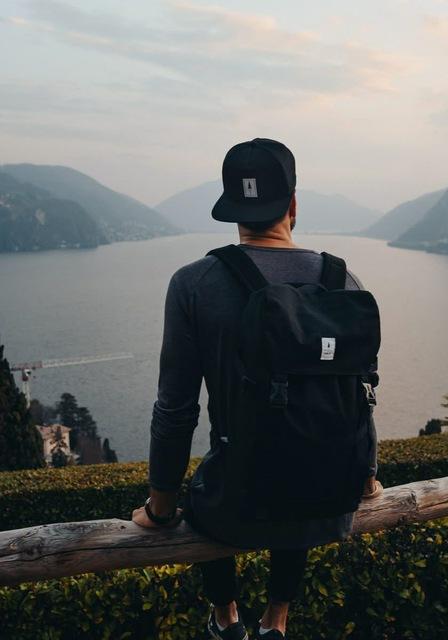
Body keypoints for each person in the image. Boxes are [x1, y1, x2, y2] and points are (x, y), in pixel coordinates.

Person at [132, 138, 382, 640]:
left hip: (233, 509)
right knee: (302, 451)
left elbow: (176, 408)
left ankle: (226, 614)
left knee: (210, 482)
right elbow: (359, 398)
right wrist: (367, 478)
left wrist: (160, 507)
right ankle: (276, 618)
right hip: (329, 505)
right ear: (293, 204)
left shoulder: (194, 283)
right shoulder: (344, 283)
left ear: (231, 210)